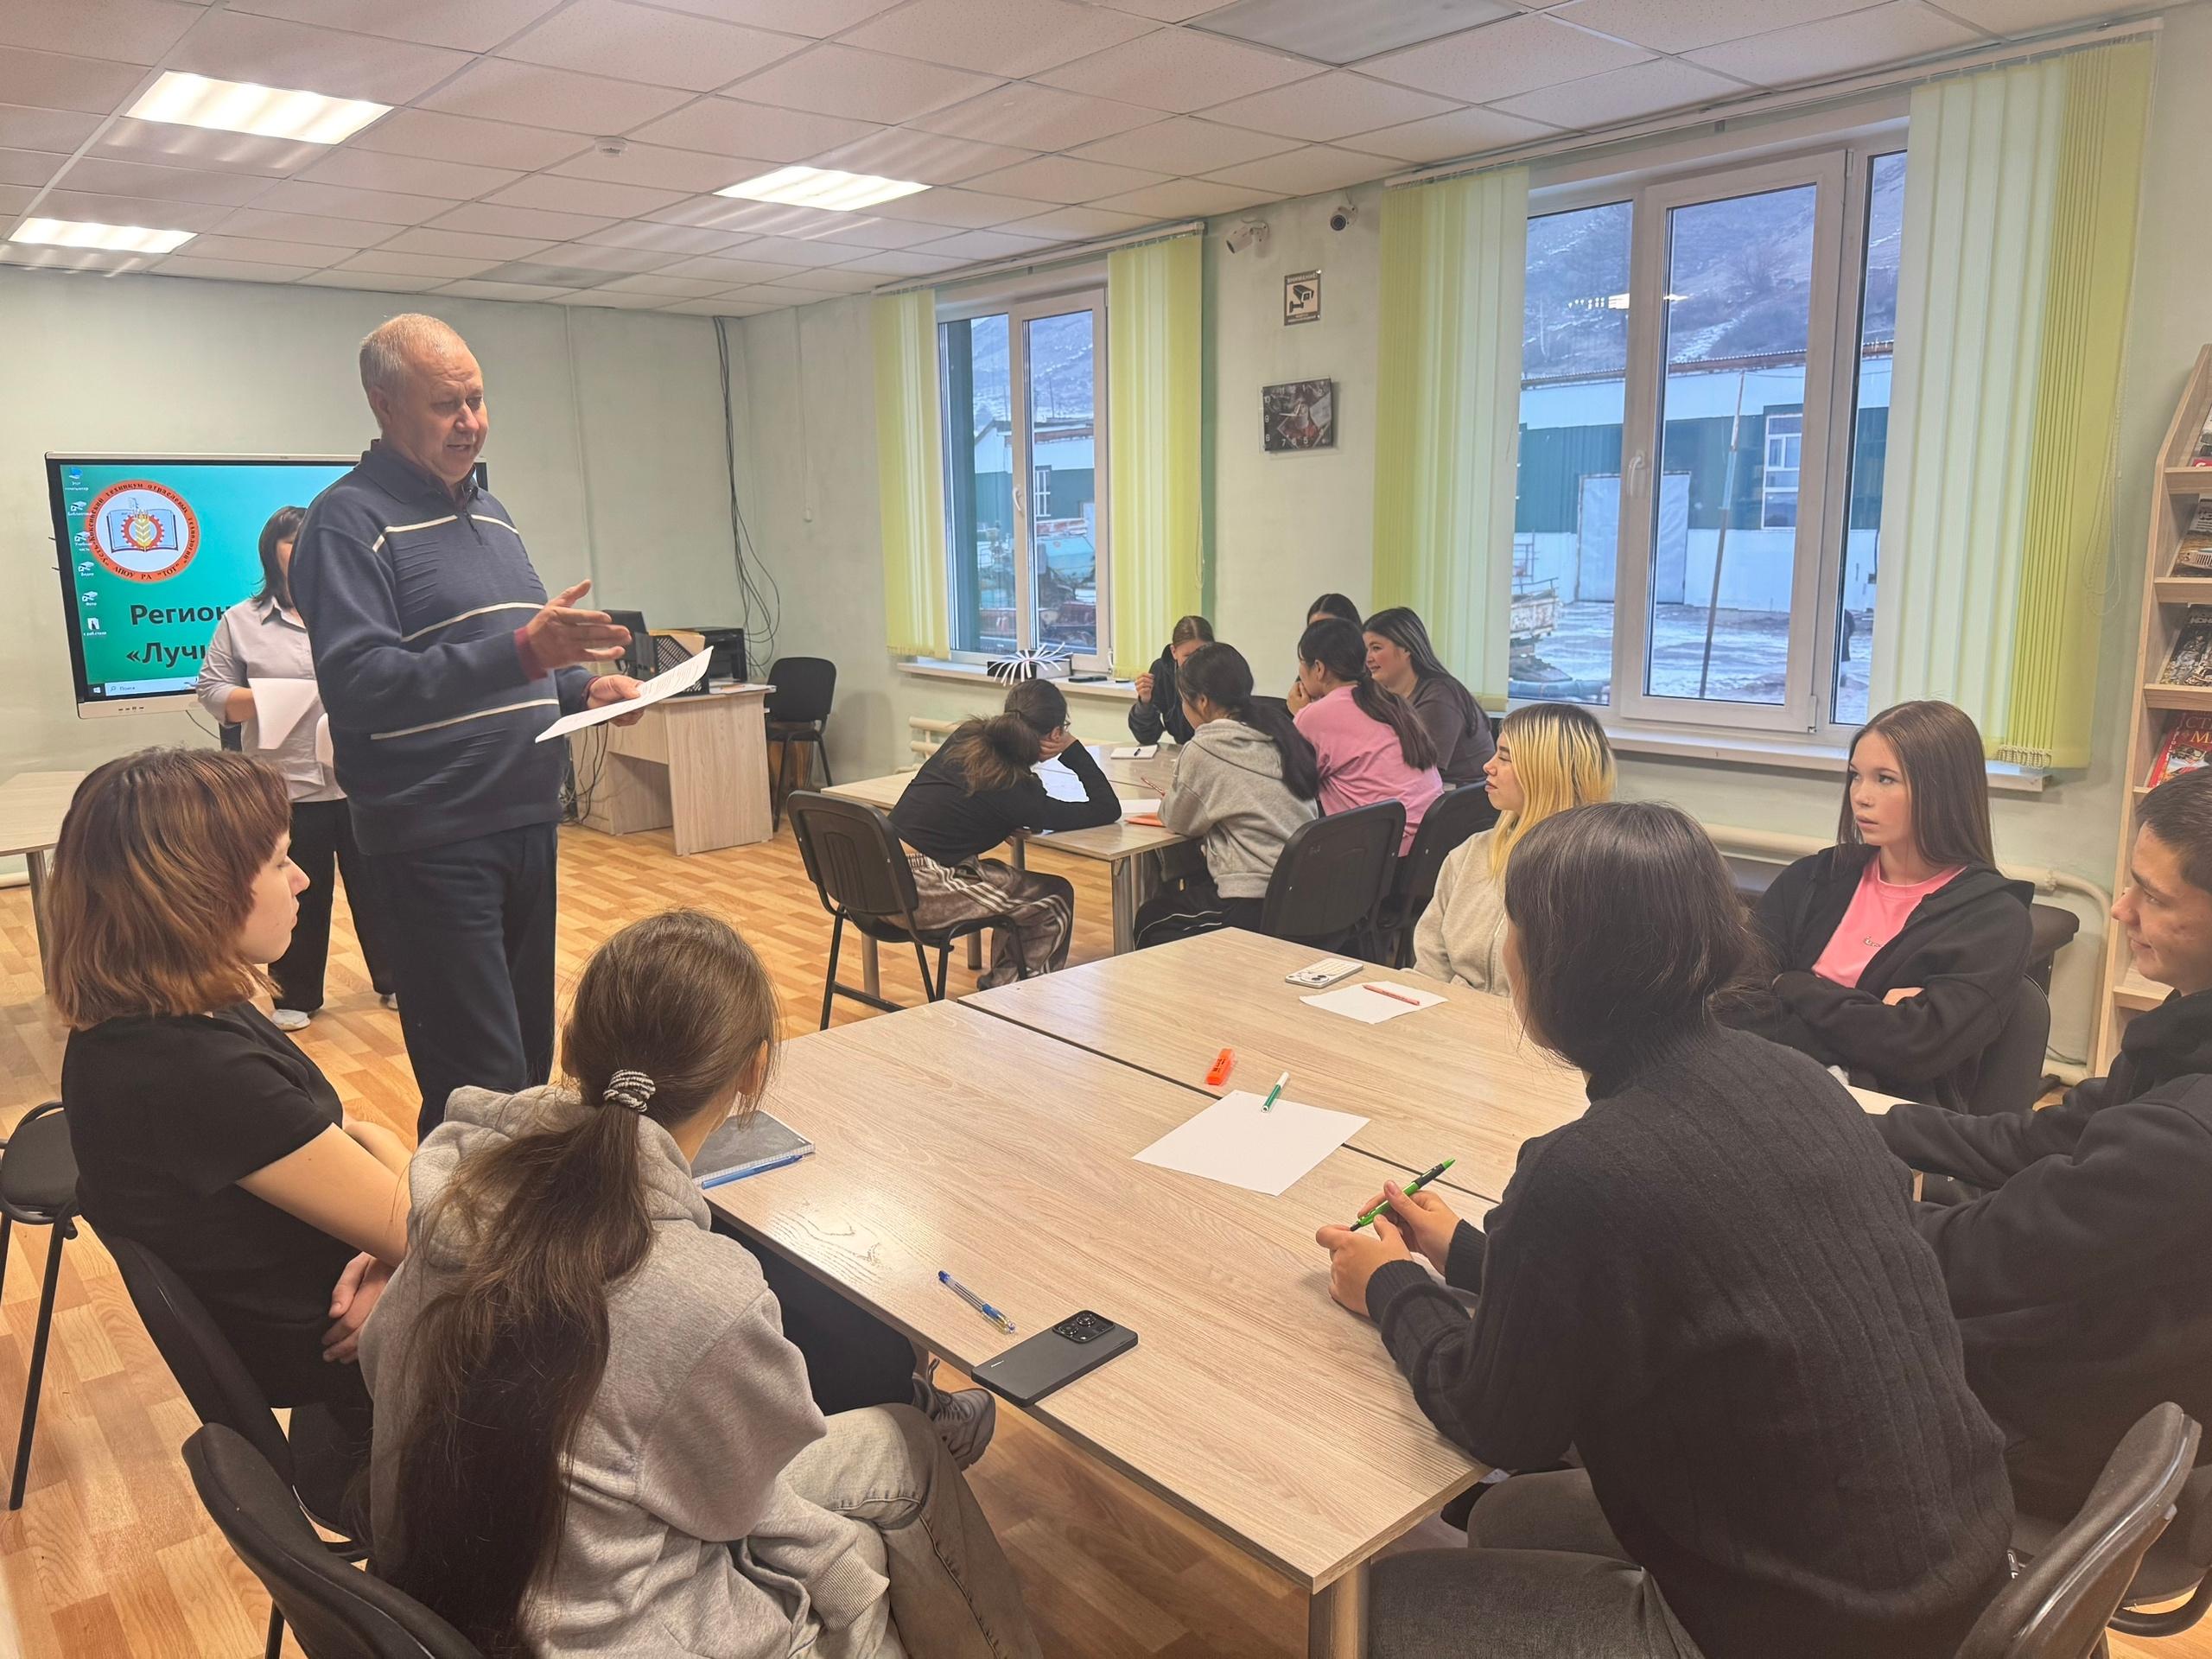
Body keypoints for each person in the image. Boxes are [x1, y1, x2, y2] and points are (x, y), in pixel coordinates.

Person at [1318, 802, 2012, 1659]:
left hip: (1808, 1627)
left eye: (1515, 928)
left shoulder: (1582, 1171)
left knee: (1365, 1612)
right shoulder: (1799, 1080)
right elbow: (1668, 1279)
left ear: (1554, 966)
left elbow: (1497, 1423)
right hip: (1952, 1564)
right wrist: (1464, 1252)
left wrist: (1389, 1285)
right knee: (1510, 1517)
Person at [362, 910, 1043, 1658]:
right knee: (886, 1492)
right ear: (752, 1075)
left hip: (444, 1605)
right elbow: (736, 1504)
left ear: (570, 1046)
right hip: (604, 1633)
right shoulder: (702, 1294)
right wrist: (844, 1571)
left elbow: (376, 1359)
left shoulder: (458, 1187)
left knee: (903, 1444)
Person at [290, 314, 645, 1141]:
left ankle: (517, 1224)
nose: (470, 422)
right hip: (433, 836)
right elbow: (361, 686)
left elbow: (517, 653)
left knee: (526, 1067)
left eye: (477, 400)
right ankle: (459, 1225)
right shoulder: (345, 522)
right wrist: (525, 653)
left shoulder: (494, 514)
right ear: (384, 405)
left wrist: (582, 686)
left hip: (526, 821)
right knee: (475, 1086)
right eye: (446, 404)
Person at [1872, 766, 2212, 1516]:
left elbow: (1991, 1253)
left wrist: (1810, 1211)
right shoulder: (2185, 1031)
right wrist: (1872, 1124)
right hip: (2100, 1350)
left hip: (2072, 1427)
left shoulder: (2187, 1134)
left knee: (1799, 1344)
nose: (2121, 909)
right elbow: (2046, 1136)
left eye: (2154, 898)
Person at [51, 749, 410, 1455]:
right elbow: (429, 1231)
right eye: (278, 862)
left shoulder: (165, 1014)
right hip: (371, 1373)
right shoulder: (191, 1070)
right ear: (197, 891)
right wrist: (403, 1256)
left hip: (354, 1312)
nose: (302, 878)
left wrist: (396, 1255)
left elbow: (353, 1139)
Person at [1732, 700, 2032, 1109]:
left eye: (1885, 779)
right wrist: (1870, 1018)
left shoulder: (1993, 919)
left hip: (1890, 1120)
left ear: (1944, 792)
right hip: (1771, 1084)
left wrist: (1793, 985)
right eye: (1856, 776)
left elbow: (1914, 1049)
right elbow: (1734, 998)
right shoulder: (1813, 878)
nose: (1861, 796)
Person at [197, 505, 395, 1032]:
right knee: (294, 890)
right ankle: (296, 993)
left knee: (383, 888)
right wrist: (268, 698)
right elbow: (212, 692)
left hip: (364, 779)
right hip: (284, 785)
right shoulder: (241, 621)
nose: (304, 550)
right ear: (272, 552)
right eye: (292, 541)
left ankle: (398, 978)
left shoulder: (361, 609)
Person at [888, 677, 1118, 984]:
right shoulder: (1017, 790)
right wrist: (1074, 749)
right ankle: (1007, 990)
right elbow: (1106, 808)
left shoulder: (966, 736)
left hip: (870, 873)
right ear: (1055, 734)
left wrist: (1000, 820)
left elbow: (967, 801)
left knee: (1006, 881)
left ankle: (1004, 981)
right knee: (1053, 898)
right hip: (915, 890)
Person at [1413, 702, 1613, 992]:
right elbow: (1430, 962)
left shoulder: (1595, 872)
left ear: (1545, 771)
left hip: (1533, 1021)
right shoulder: (1471, 853)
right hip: (1451, 1010)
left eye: (1505, 758)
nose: (1488, 766)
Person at [1133, 642, 1319, 945]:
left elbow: (1178, 820)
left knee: (1150, 919)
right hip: (1305, 889)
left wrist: (1173, 798)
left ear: (1202, 701)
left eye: (1184, 700)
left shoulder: (1206, 746)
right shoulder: (1277, 729)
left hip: (1254, 898)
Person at [1291, 617, 1441, 855]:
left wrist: (1301, 714)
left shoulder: (1315, 716)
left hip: (1385, 850)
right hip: (1430, 842)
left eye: (1301, 662)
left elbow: (1295, 784)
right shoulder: (1389, 701)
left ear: (1318, 668)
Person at [1363, 607, 1496, 789]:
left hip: (1460, 798)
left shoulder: (1440, 697)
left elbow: (1420, 771)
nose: (1368, 658)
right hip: (1428, 791)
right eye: (1366, 650)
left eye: (1376, 648)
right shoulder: (1385, 695)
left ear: (1406, 648)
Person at [1128, 613, 1212, 747]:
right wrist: (1145, 703)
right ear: (1174, 651)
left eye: (1201, 654)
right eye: (1188, 656)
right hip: (1182, 749)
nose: (1195, 662)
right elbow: (1147, 738)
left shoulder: (1224, 672)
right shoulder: (1162, 670)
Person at [1287, 593, 1361, 711]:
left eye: (1329, 629)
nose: (1320, 636)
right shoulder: (1307, 676)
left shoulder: (1368, 683)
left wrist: (1305, 714)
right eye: (1314, 629)